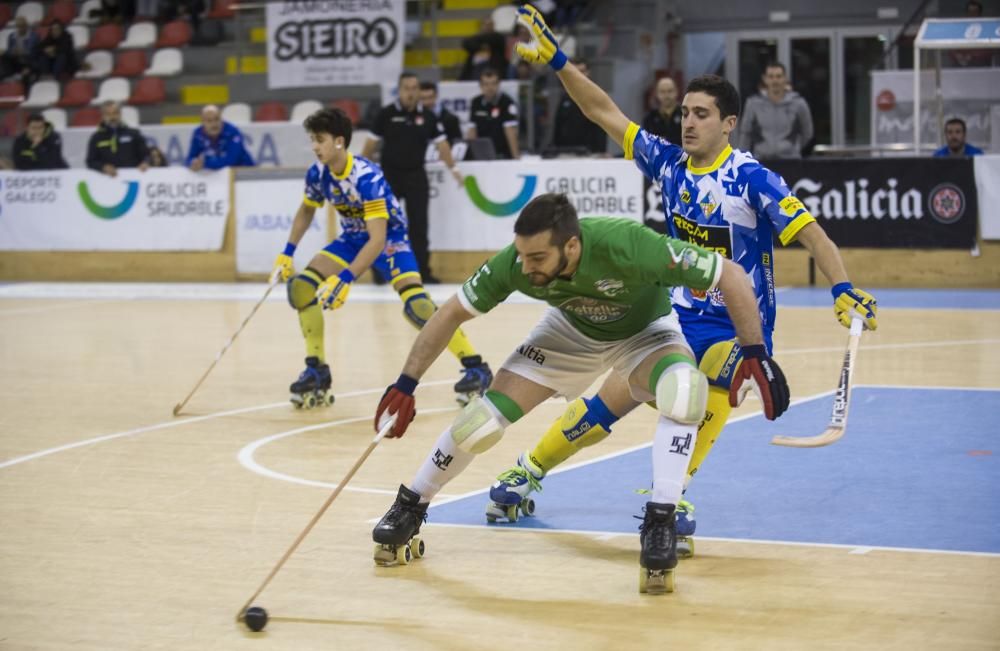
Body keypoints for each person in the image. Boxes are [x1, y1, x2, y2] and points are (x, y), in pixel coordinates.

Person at [487, 4, 877, 557]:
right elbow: (605, 112)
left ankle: (672, 497)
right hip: (672, 321)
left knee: (713, 378)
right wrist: (558, 62)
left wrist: (842, 287)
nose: (688, 121)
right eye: (686, 112)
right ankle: (526, 472)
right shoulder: (669, 164)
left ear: (728, 123)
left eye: (701, 114)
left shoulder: (751, 179)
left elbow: (814, 235)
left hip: (738, 328)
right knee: (608, 404)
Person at [369, 194, 791, 594]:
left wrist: (755, 353)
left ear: (571, 246)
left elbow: (730, 274)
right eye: (522, 254)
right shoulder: (516, 264)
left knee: (685, 392)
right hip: (568, 333)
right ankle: (411, 504)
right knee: (479, 423)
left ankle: (661, 518)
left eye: (538, 258)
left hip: (645, 333)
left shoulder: (628, 244)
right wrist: (406, 383)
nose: (526, 266)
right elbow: (451, 312)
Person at [272, 107, 492, 408]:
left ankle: (475, 366)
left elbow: (377, 239)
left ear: (339, 141)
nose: (314, 147)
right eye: (312, 139)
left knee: (418, 306)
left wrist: (346, 278)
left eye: (319, 140)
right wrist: (288, 252)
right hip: (351, 239)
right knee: (300, 287)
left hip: (389, 239)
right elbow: (308, 209)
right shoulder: (318, 172)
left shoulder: (366, 177)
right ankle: (316, 370)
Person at [363, 73, 463, 284]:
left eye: (414, 88)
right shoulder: (386, 114)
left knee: (419, 226)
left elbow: (442, 145)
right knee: (384, 226)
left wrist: (453, 169)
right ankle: (380, 274)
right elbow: (370, 147)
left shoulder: (428, 117)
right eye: (407, 88)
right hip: (389, 176)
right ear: (399, 91)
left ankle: (422, 273)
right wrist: (361, 175)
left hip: (416, 175)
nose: (411, 92)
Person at [737, 62, 813, 160]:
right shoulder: (753, 104)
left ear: (785, 78)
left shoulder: (798, 103)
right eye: (771, 77)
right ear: (765, 79)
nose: (775, 80)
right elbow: (746, 134)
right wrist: (742, 160)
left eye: (778, 76)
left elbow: (807, 133)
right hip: (761, 161)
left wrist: (792, 148)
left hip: (791, 161)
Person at [551, 58, 605, 154]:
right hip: (565, 152)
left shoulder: (596, 96)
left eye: (582, 71)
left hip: (590, 152)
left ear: (589, 73)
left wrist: (600, 151)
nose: (579, 75)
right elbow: (558, 125)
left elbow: (602, 126)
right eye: (576, 72)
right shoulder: (565, 98)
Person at [86, 101, 151, 176]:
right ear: (103, 116)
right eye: (108, 114)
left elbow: (147, 155)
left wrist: (145, 162)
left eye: (115, 113)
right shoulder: (96, 137)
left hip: (133, 178)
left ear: (120, 114)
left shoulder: (134, 134)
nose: (112, 117)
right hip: (106, 180)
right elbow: (91, 161)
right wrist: (103, 167)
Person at [468, 68, 520, 159]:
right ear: (481, 86)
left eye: (493, 83)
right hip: (482, 154)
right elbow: (472, 130)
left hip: (503, 154)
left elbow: (510, 131)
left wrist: (516, 158)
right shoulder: (475, 102)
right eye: (486, 84)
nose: (490, 88)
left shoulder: (507, 102)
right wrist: (471, 155)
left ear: (498, 84)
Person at [185, 105, 255, 170]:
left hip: (244, 172)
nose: (214, 124)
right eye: (209, 121)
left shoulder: (232, 132)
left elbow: (231, 161)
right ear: (203, 122)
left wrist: (204, 164)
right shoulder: (198, 134)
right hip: (218, 176)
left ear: (221, 119)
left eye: (217, 119)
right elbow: (189, 158)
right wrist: (193, 163)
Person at [419, 81, 463, 146]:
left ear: (436, 96)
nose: (427, 102)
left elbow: (458, 144)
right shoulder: (413, 118)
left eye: (430, 97)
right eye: (423, 98)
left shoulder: (451, 119)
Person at [1, 16, 40, 88]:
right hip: (16, 61)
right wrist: (12, 51)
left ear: (26, 26)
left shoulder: (33, 36)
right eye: (18, 27)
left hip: (30, 62)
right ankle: (8, 76)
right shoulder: (12, 36)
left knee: (27, 73)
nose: (20, 29)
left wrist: (20, 51)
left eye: (22, 26)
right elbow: (9, 51)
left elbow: (31, 51)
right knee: (4, 56)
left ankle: (24, 82)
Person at [641, 77, 682, 145]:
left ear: (676, 92)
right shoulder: (649, 118)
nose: (666, 95)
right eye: (662, 92)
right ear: (657, 94)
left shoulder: (685, 115)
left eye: (670, 91)